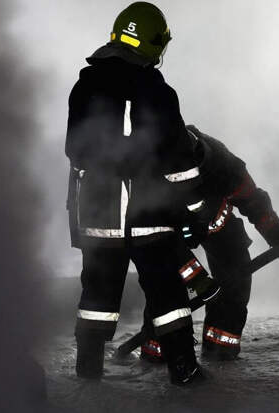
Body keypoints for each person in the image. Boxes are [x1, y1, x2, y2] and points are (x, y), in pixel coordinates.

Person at [65, 2, 209, 385]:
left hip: (98, 215)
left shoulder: (85, 84)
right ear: (153, 42)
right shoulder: (156, 91)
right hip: (149, 216)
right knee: (168, 295)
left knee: (97, 297)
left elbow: (74, 150)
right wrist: (196, 210)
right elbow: (179, 162)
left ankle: (87, 373)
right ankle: (184, 371)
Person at [139, 125, 279, 361]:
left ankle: (220, 349)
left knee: (236, 274)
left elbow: (254, 202)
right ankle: (159, 351)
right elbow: (161, 243)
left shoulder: (225, 166)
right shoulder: (150, 174)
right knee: (165, 283)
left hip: (216, 226)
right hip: (167, 233)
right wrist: (200, 282)